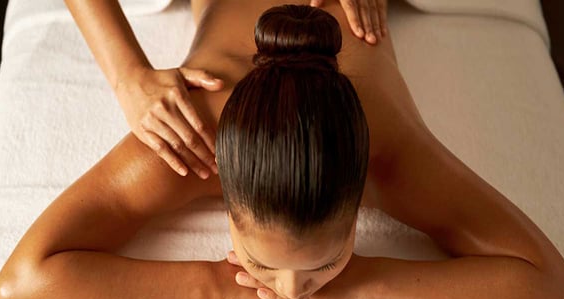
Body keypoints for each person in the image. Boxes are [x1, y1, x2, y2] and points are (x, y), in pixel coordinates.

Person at [0, 1, 564, 299]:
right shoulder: (194, 138)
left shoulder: (387, 153)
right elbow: (19, 287)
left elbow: (558, 293)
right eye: (259, 263)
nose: (290, 292)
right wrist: (213, 287)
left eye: (325, 262)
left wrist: (370, 279)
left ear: (360, 191)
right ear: (221, 180)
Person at [62, 0, 388, 179]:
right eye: (261, 266)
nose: (291, 281)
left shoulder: (378, 141)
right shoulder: (196, 130)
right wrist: (128, 76)